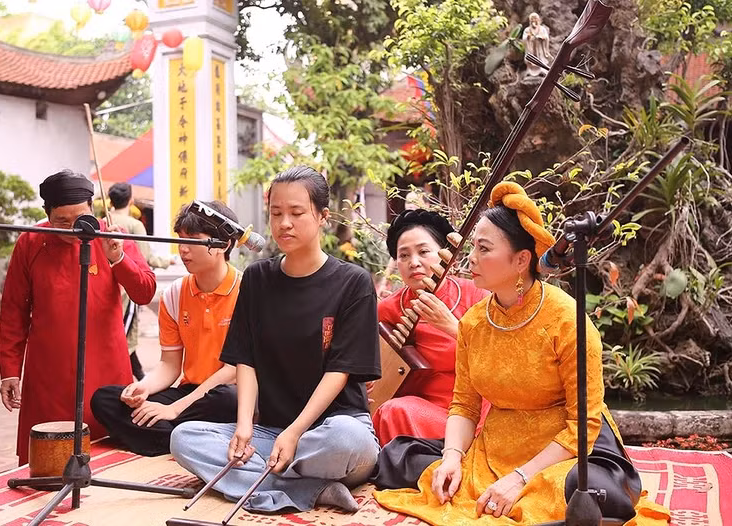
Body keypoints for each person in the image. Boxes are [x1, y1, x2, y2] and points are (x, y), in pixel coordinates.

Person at [374, 182, 670, 525]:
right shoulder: (473, 322)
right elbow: (465, 405)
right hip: (498, 445)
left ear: (521, 260)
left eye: (484, 249)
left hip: (568, 449)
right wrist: (453, 457)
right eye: (473, 247)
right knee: (398, 458)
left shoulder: (567, 322)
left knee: (586, 491)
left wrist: (520, 477)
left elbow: (583, 425)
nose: (471, 258)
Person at [170, 165, 381, 514]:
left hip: (330, 431)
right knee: (184, 438)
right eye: (276, 213)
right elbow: (246, 359)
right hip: (271, 431)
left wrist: (296, 432)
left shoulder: (353, 282)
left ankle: (264, 482)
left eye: (297, 213)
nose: (285, 223)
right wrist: (243, 428)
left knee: (348, 440)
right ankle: (315, 488)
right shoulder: (257, 278)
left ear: (322, 216)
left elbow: (340, 371)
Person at [0, 169, 156, 465]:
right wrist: (9, 370)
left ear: (93, 209)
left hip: (105, 362)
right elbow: (14, 310)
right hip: (48, 369)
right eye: (62, 222)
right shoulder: (32, 241)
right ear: (47, 214)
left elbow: (145, 292)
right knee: (49, 457)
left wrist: (118, 259)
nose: (73, 229)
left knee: (107, 451)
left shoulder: (113, 237)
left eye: (81, 218)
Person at [90, 201, 241, 456]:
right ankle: (184, 440)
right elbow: (170, 364)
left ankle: (168, 436)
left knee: (228, 399)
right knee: (104, 400)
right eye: (180, 240)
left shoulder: (246, 291)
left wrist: (175, 409)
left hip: (229, 396)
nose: (183, 250)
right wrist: (144, 388)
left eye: (193, 240)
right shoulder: (175, 293)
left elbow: (233, 370)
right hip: (190, 393)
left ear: (223, 245)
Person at [371, 209, 489, 446]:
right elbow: (367, 365)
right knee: (393, 411)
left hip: (474, 412)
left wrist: (451, 326)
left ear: (445, 255)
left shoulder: (476, 296)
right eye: (403, 256)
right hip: (423, 410)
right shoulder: (388, 309)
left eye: (423, 251)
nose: (414, 262)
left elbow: (501, 357)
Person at [107, 182, 171, 380]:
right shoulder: (134, 225)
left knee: (115, 332)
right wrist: (166, 261)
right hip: (127, 289)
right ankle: (135, 378)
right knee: (126, 335)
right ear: (131, 200)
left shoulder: (104, 221)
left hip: (106, 288)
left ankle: (140, 377)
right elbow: (143, 260)